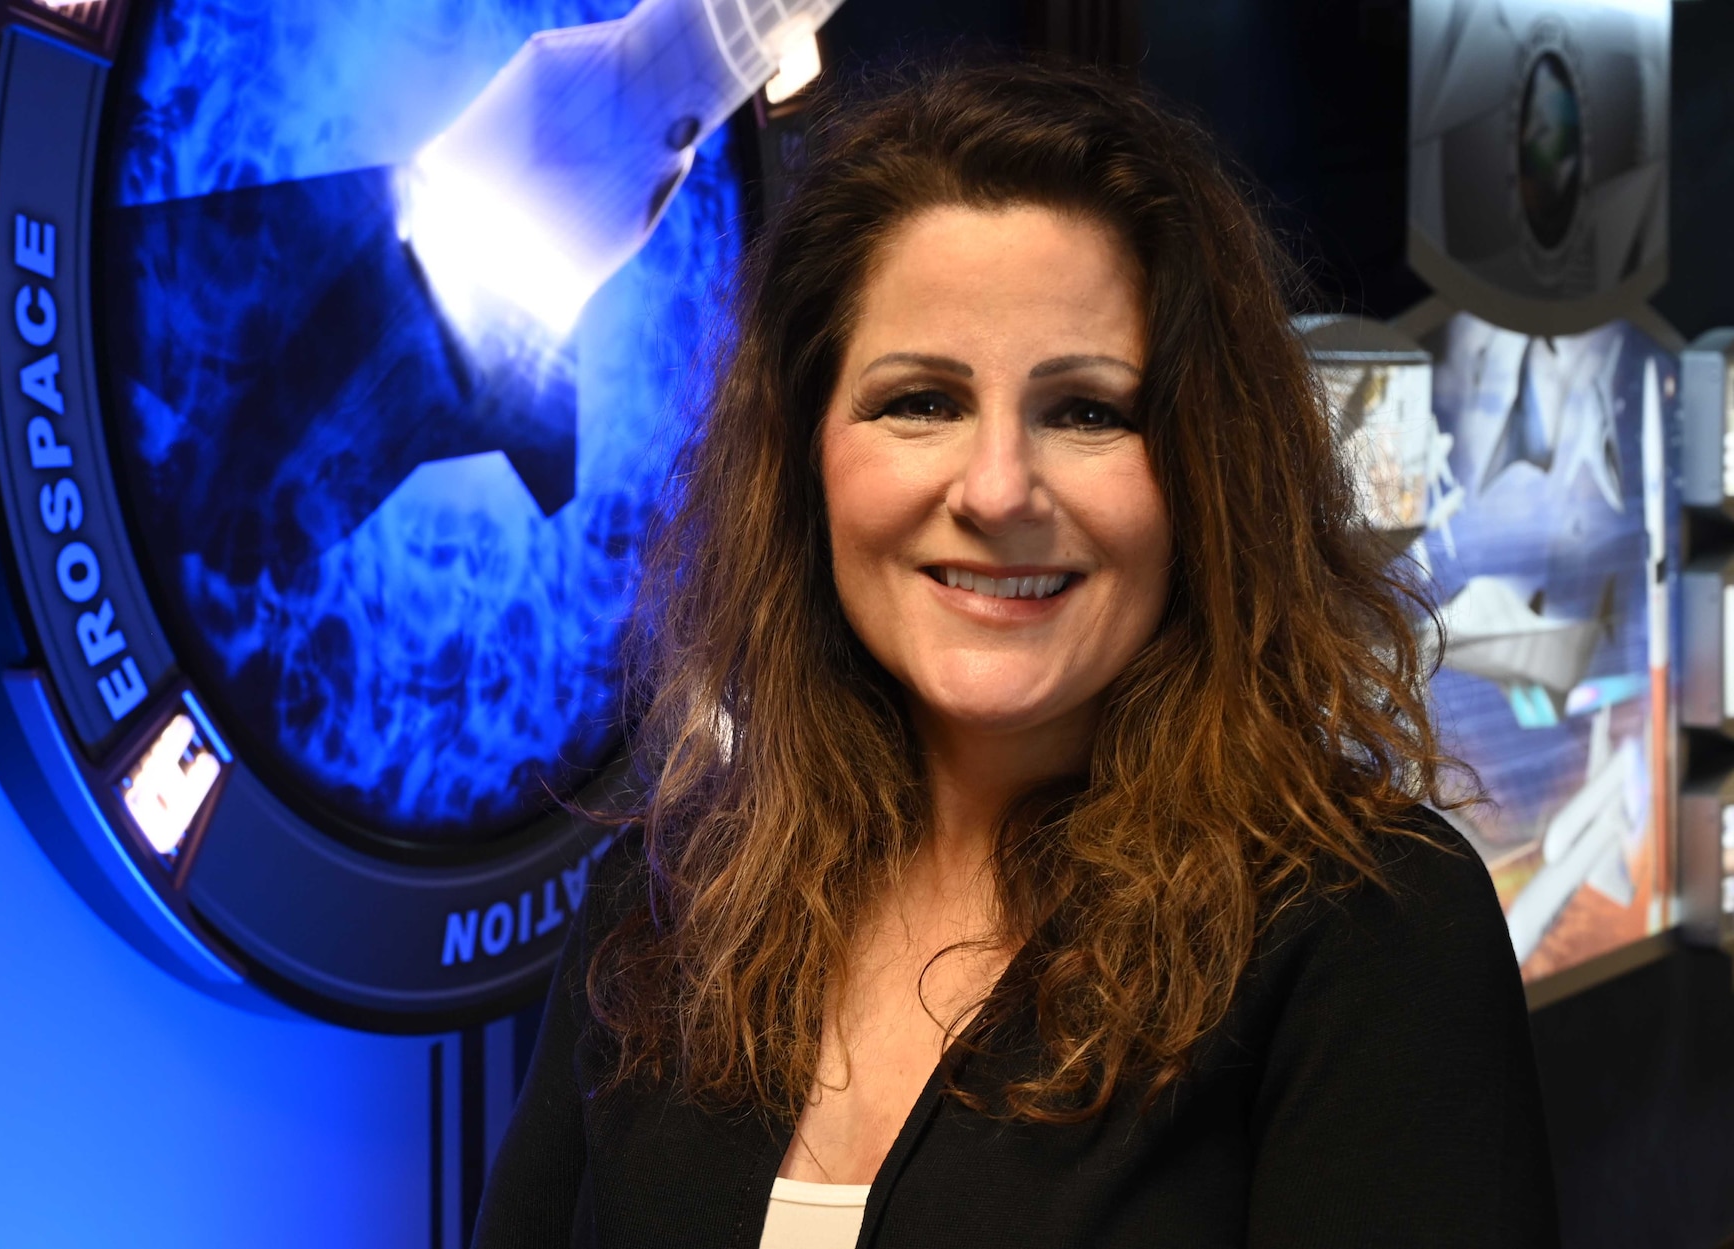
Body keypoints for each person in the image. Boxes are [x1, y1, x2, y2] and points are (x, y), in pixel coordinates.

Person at [473, 56, 1557, 1249]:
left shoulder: (1367, 927)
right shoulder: (674, 899)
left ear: (1204, 474)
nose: (995, 491)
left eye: (1086, 410)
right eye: (920, 401)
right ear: (805, 461)